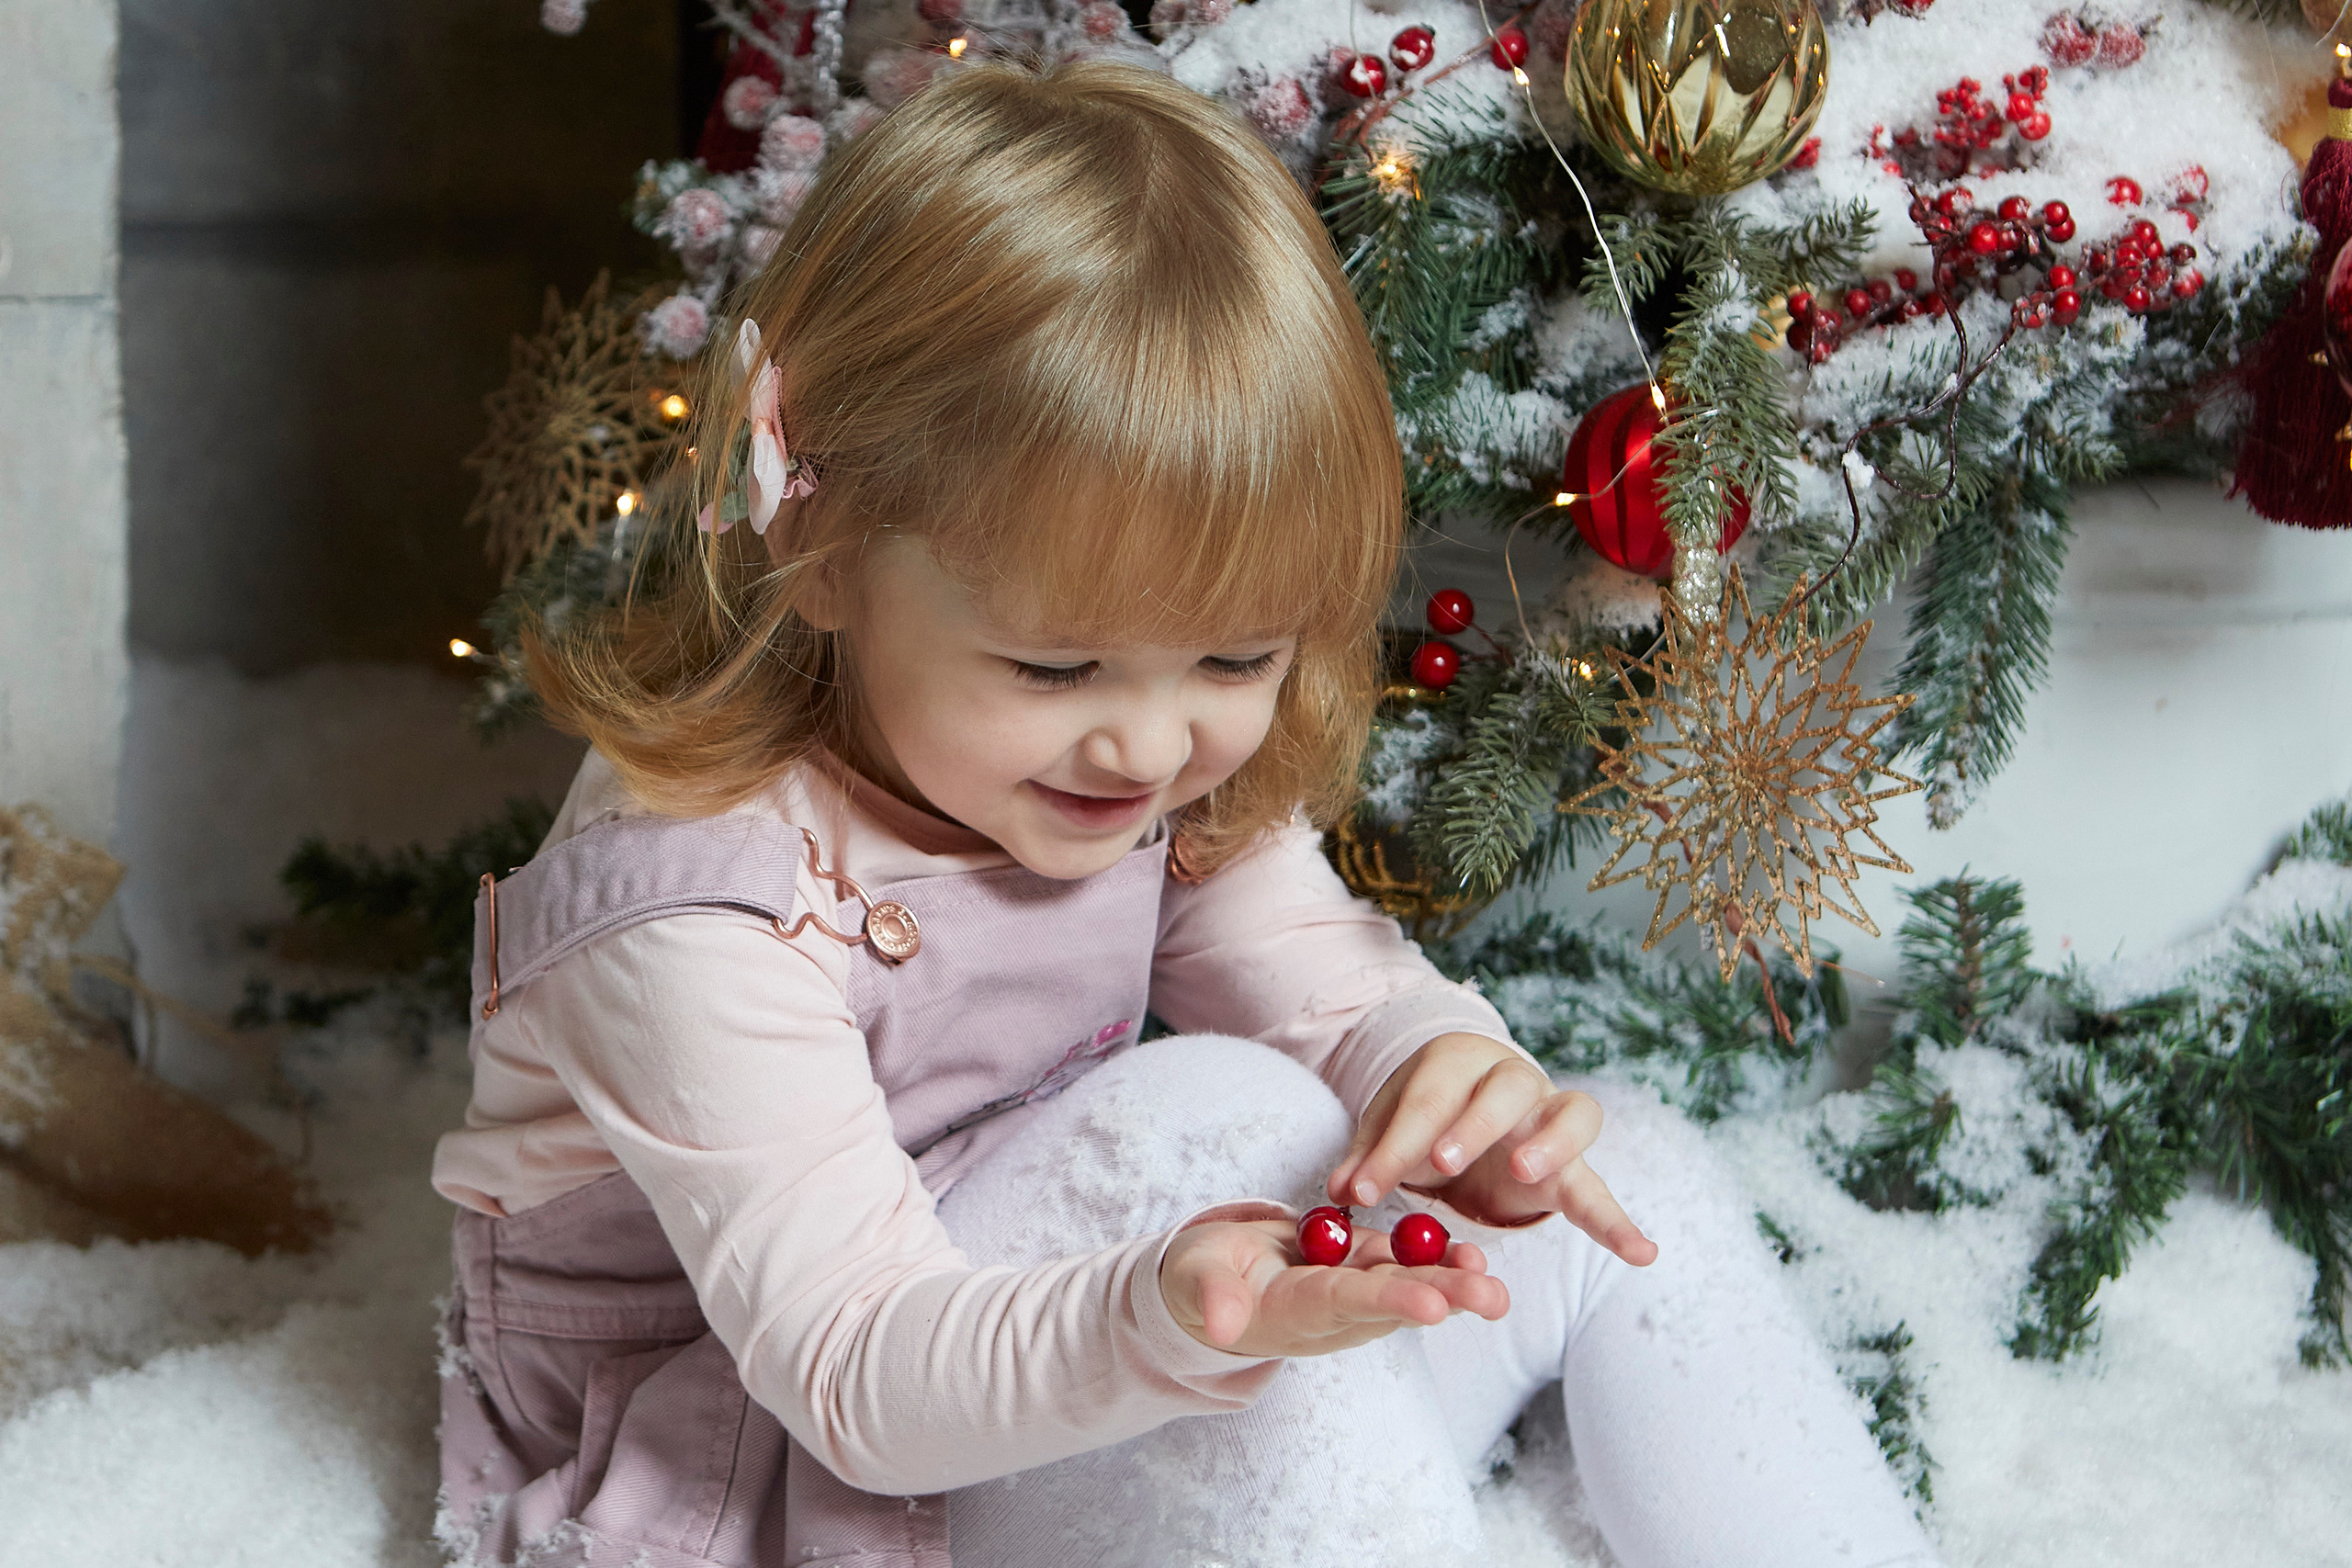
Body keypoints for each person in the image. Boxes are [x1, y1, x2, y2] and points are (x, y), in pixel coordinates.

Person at [429, 59, 1939, 1568]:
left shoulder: (1111, 763)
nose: (1149, 743)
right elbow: (854, 1368)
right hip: (777, 1464)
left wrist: (1436, 1061)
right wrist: (1164, 1314)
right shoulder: (697, 910)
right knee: (1228, 1123)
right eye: (1055, 662)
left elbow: (1317, 972)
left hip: (1097, 1351)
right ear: (821, 545)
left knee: (1621, 1185)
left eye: (1237, 654)